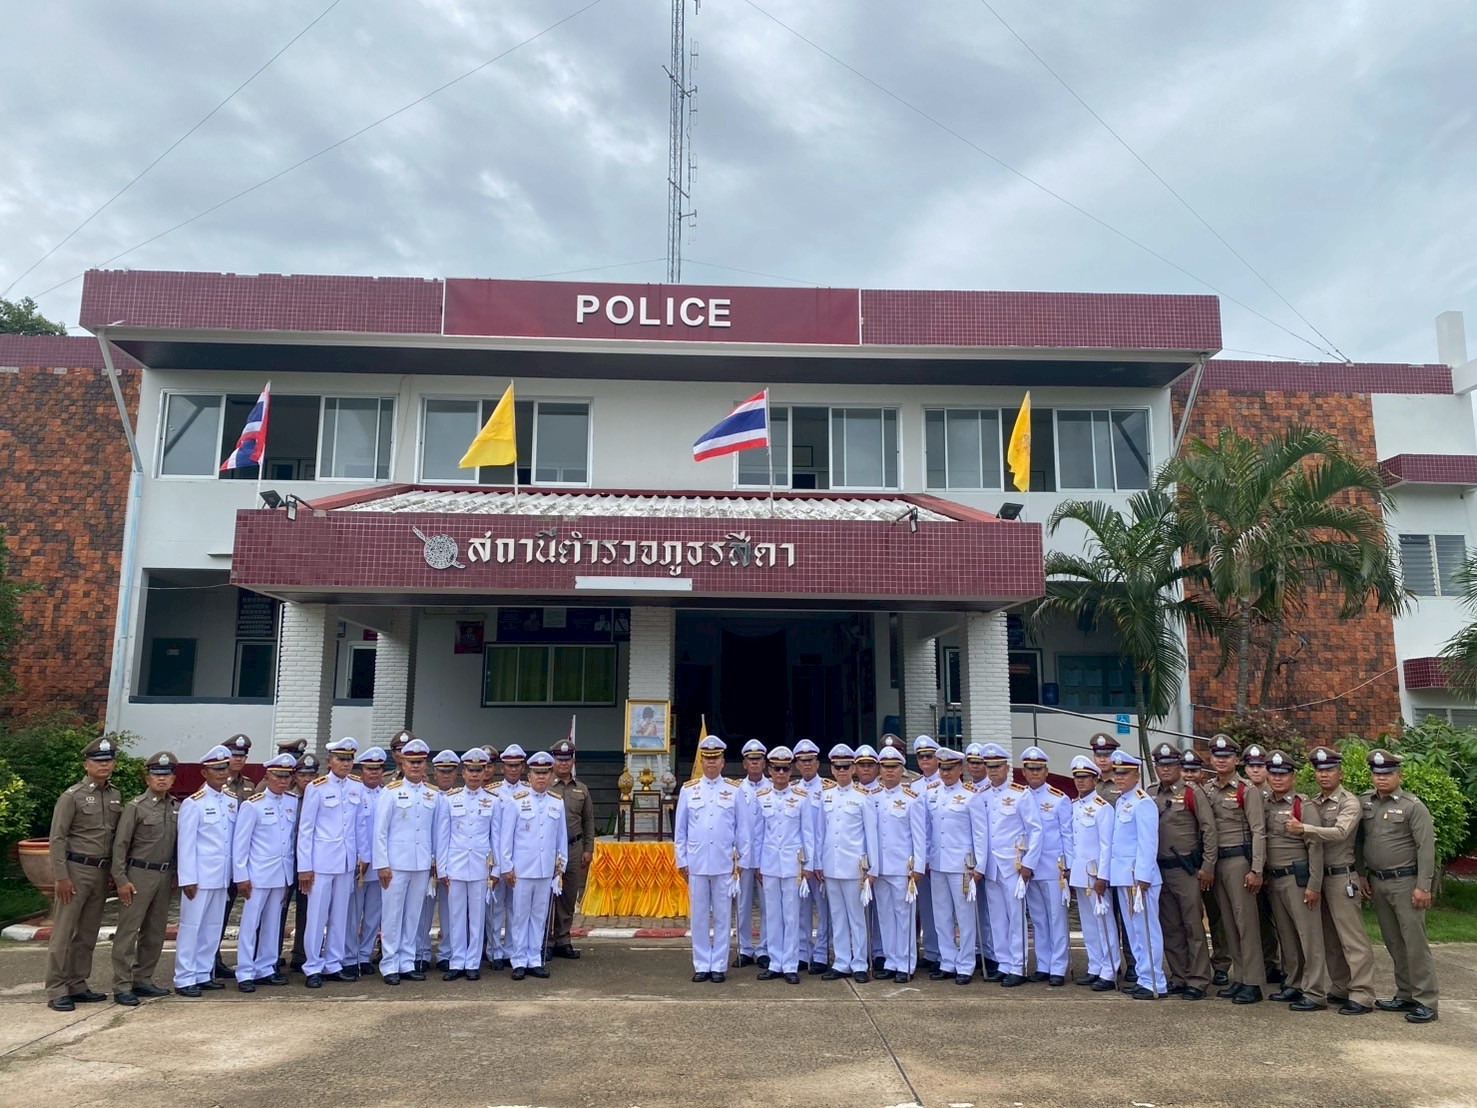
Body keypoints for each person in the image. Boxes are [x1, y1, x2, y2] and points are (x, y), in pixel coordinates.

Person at [1284, 745, 1378, 1015]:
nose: (1324, 775)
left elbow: (1341, 832)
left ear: (1341, 773)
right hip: (1317, 878)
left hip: (1341, 876)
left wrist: (1304, 828)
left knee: (1352, 938)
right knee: (1329, 938)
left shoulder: (1349, 802)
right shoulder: (1314, 802)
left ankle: (1362, 994)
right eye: (1319, 770)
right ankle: (1341, 986)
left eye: (1330, 770)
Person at [1357, 748, 1439, 1024]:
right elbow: (1359, 842)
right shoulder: (1365, 803)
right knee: (1393, 941)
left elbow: (1425, 848)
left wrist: (1423, 886)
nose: (1382, 778)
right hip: (1378, 882)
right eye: (1377, 773)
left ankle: (1426, 1000)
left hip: (1406, 883)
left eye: (1388, 773)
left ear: (1399, 776)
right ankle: (1405, 994)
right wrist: (1361, 874)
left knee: (1415, 943)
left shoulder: (1412, 806)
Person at [44, 735, 122, 1011]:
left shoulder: (115, 795)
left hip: (101, 871)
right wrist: (61, 876)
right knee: (64, 932)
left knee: (88, 932)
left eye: (108, 760)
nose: (104, 765)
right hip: (75, 870)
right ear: (86, 765)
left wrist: (114, 871)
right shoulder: (72, 796)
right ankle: (57, 989)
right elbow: (57, 838)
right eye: (98, 761)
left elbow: (114, 837)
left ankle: (77, 983)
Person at [674, 734, 751, 983]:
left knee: (722, 915)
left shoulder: (734, 790)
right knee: (698, 916)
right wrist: (681, 860)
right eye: (707, 758)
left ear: (723, 762)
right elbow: (680, 831)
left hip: (724, 863)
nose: (711, 763)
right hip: (696, 863)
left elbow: (743, 829)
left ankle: (718, 965)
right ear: (701, 761)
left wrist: (741, 861)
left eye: (715, 758)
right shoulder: (689, 790)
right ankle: (701, 964)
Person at [1147, 743, 1218, 1000]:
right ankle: (1179, 975)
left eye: (1170, 765)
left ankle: (1198, 979)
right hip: (1159, 869)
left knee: (1192, 926)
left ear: (1179, 767)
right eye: (1161, 765)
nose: (1165, 770)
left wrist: (1208, 866)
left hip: (1186, 869)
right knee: (1170, 926)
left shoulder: (1191, 793)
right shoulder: (1150, 793)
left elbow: (1209, 830)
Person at [297, 736, 368, 987]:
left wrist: (364, 856)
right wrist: (304, 867)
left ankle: (334, 963)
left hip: (346, 862)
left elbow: (360, 825)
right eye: (341, 759)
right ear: (330, 761)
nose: (346, 763)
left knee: (340, 915)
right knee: (317, 917)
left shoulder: (356, 786)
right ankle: (313, 966)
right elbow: (306, 829)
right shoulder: (317, 787)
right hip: (321, 862)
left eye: (349, 759)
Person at [109, 750, 179, 1007]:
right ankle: (122, 985)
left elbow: (178, 845)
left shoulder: (176, 807)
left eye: (166, 775)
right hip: (138, 874)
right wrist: (120, 879)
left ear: (173, 779)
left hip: (165, 875)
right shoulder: (136, 807)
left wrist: (177, 873)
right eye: (156, 775)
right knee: (128, 931)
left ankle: (143, 979)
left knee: (155, 931)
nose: (161, 779)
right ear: (147, 778)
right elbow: (120, 845)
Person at [1202, 733, 1267, 1004]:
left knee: (1246, 923)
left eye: (1227, 756)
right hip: (1218, 862)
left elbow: (1259, 831)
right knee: (1228, 924)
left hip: (1240, 861)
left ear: (1236, 760)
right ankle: (1239, 977)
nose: (1221, 760)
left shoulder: (1246, 790)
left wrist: (1257, 869)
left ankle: (1253, 982)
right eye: (1217, 756)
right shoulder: (1208, 789)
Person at [1262, 750, 1328, 1011]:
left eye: (1284, 774)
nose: (1278, 778)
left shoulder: (1304, 806)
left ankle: (1315, 992)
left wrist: (1314, 885)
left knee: (1309, 937)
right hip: (1275, 879)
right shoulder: (1265, 803)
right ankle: (1294, 982)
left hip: (1297, 880)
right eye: (1274, 773)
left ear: (1293, 777)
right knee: (1287, 936)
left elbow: (1315, 847)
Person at [373, 739, 441, 984]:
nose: (415, 766)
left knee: (413, 915)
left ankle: (407, 962)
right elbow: (380, 831)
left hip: (421, 863)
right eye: (411, 762)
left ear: (425, 764)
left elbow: (436, 832)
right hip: (395, 864)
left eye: (419, 762)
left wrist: (434, 862)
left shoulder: (432, 794)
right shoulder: (390, 792)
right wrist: (382, 864)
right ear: (402, 763)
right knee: (392, 915)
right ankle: (390, 964)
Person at [174, 745, 239, 997]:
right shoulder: (194, 803)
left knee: (212, 928)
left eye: (224, 768)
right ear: (204, 773)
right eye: (216, 769)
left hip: (221, 877)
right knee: (191, 928)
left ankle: (203, 973)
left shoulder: (231, 801)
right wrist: (188, 878)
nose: (222, 773)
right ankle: (184, 977)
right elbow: (186, 844)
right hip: (199, 877)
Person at [751, 746, 819, 985]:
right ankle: (775, 962)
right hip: (769, 863)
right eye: (777, 769)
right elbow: (758, 834)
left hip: (793, 865)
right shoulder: (762, 797)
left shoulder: (801, 797)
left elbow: (808, 833)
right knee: (772, 915)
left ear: (791, 771)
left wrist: (808, 864)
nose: (781, 773)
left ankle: (790, 964)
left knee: (792, 916)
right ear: (769, 771)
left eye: (785, 769)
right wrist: (757, 864)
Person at [232, 753, 299, 993]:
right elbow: (241, 844)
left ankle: (266, 967)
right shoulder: (253, 805)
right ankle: (245, 971)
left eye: (287, 777)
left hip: (281, 874)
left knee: (273, 923)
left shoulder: (292, 802)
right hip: (258, 874)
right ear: (268, 776)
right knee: (250, 925)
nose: (283, 781)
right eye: (278, 776)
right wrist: (241, 876)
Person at [976, 743, 1042, 987]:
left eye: (997, 766)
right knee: (996, 918)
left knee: (1015, 917)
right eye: (989, 766)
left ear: (1006, 768)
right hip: (991, 866)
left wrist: (1028, 863)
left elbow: (1035, 830)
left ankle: (1018, 966)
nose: (993, 770)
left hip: (1013, 865)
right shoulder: (982, 795)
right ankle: (1003, 963)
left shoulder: (1020, 794)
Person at [499, 750, 568, 980]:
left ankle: (535, 959)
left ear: (550, 776)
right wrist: (507, 867)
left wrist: (560, 866)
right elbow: (506, 838)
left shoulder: (557, 803)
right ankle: (518, 960)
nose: (541, 777)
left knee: (539, 917)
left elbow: (561, 838)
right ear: (529, 776)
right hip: (522, 870)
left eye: (545, 773)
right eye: (537, 773)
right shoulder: (517, 802)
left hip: (545, 870)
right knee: (519, 916)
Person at [1103, 750, 1166, 999]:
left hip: (1138, 878)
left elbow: (1148, 843)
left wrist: (1143, 877)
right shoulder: (1122, 801)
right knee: (1133, 932)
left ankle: (1155, 981)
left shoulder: (1143, 802)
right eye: (1117, 773)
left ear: (1136, 775)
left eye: (1125, 773)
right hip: (1123, 876)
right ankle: (1143, 976)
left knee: (1146, 930)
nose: (1119, 777)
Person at [815, 744, 879, 983]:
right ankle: (841, 961)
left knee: (856, 917)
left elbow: (871, 835)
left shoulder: (863, 797)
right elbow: (820, 833)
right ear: (832, 770)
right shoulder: (826, 795)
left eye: (845, 766)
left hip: (854, 867)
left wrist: (873, 867)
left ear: (853, 769)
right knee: (837, 917)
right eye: (837, 767)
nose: (841, 771)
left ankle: (860, 963)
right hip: (831, 865)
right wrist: (818, 862)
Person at [925, 747, 987, 986]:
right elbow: (928, 830)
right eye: (942, 768)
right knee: (941, 915)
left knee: (965, 916)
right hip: (938, 863)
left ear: (960, 769)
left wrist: (979, 866)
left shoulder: (971, 795)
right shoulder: (932, 793)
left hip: (962, 866)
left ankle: (966, 964)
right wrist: (926, 859)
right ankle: (947, 961)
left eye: (950, 768)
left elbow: (980, 834)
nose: (945, 773)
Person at [436, 747, 498, 982]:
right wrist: (442, 869)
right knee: (456, 916)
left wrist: (496, 869)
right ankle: (456, 960)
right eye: (470, 770)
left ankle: (472, 963)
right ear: (463, 773)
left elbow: (496, 838)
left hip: (481, 867)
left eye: (478, 770)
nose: (474, 774)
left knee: (477, 917)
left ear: (485, 773)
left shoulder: (493, 801)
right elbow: (443, 837)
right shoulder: (450, 800)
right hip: (456, 866)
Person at [870, 746, 927, 982]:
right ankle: (891, 961)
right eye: (885, 767)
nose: (889, 771)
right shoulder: (873, 798)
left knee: (904, 918)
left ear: (902, 769)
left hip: (903, 869)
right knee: (885, 917)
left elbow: (919, 837)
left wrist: (918, 867)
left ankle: (905, 964)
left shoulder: (911, 800)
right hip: (880, 868)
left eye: (893, 767)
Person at [1066, 756, 1120, 992]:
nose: (1080, 781)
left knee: (1104, 923)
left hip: (1096, 874)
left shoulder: (1102, 808)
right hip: (1080, 873)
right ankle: (1095, 966)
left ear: (1095, 779)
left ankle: (1109, 970)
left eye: (1085, 777)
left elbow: (1107, 846)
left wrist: (1103, 877)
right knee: (1088, 924)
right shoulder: (1074, 806)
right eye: (1077, 777)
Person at [1019, 746, 1071, 986]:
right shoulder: (1019, 796)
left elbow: (1067, 834)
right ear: (1024, 772)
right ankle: (1043, 964)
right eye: (1030, 769)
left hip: (1052, 867)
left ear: (1046, 771)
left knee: (1056, 918)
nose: (1034, 773)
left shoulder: (1058, 799)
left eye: (1038, 769)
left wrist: (1068, 865)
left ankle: (1058, 967)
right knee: (1038, 919)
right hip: (1029, 868)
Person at [1183, 747, 1233, 986]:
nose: (1189, 775)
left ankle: (1221, 964)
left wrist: (1209, 865)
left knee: (1217, 916)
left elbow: (1211, 832)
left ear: (1202, 773)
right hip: (1185, 866)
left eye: (1194, 770)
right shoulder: (1176, 794)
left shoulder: (1210, 793)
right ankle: (1191, 965)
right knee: (1189, 918)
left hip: (1210, 864)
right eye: (1185, 770)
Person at [1242, 743, 1285, 986]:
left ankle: (1285, 967)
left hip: (1276, 865)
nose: (1256, 770)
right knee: (1256, 918)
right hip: (1250, 865)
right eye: (1251, 766)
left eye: (1260, 766)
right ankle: (1267, 964)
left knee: (1281, 920)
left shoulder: (1276, 795)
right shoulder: (1242, 793)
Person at [550, 738, 596, 960]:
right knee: (548, 895)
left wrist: (589, 848)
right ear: (553, 761)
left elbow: (588, 821)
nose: (563, 764)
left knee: (569, 895)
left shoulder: (582, 789)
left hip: (574, 847)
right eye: (559, 759)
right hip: (549, 849)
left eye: (567, 760)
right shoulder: (545, 786)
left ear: (573, 762)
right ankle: (547, 941)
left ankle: (563, 939)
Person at [215, 732, 255, 978]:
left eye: (243, 755)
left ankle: (215, 957)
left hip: (241, 859)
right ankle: (209, 958)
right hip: (219, 858)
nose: (238, 759)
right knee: (214, 912)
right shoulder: (216, 784)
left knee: (227, 909)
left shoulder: (249, 785)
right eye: (234, 755)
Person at [485, 743, 527, 970]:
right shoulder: (492, 792)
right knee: (495, 908)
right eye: (509, 765)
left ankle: (512, 949)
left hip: (519, 860)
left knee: (515, 909)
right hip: (496, 858)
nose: (513, 769)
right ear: (502, 767)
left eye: (517, 765)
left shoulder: (529, 792)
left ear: (523, 767)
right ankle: (494, 951)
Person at [790, 738, 829, 973]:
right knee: (801, 909)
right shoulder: (792, 790)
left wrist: (820, 861)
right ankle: (803, 952)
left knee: (824, 910)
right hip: (800, 860)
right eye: (802, 761)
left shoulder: (828, 789)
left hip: (822, 860)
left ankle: (822, 954)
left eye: (810, 760)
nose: (806, 764)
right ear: (796, 765)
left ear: (817, 763)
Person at [349, 746, 388, 975]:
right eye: (369, 768)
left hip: (380, 864)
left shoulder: (387, 794)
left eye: (378, 768)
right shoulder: (354, 793)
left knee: (374, 913)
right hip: (358, 864)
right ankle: (349, 955)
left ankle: (364, 955)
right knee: (353, 913)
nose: (374, 773)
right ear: (361, 770)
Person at [423, 749, 462, 971]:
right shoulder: (427, 796)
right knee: (424, 911)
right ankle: (421, 952)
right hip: (427, 863)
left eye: (450, 771)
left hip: (452, 864)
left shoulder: (460, 798)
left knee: (450, 912)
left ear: (456, 773)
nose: (446, 775)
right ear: (434, 773)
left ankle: (447, 953)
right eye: (441, 771)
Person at [733, 738, 770, 969]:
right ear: (744, 763)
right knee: (742, 904)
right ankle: (744, 949)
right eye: (750, 759)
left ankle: (765, 948)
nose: (754, 763)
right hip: (743, 857)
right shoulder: (736, 789)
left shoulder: (773, 787)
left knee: (768, 906)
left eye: (758, 759)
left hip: (767, 857)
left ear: (764, 763)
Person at [963, 743, 998, 980]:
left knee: (990, 911)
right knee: (971, 910)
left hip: (992, 861)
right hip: (970, 862)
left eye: (979, 763)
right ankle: (976, 950)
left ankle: (991, 953)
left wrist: (982, 864)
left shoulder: (992, 789)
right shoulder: (966, 791)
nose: (975, 767)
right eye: (971, 763)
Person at [853, 744, 888, 973]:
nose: (866, 769)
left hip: (886, 862)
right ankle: (863, 951)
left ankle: (881, 952)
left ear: (877, 768)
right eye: (861, 765)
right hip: (857, 863)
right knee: (860, 910)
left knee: (883, 913)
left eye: (870, 765)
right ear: (855, 768)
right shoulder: (851, 793)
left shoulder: (886, 792)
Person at [910, 735, 943, 974]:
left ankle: (945, 953)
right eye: (921, 756)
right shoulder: (914, 787)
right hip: (920, 858)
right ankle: (931, 952)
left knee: (943, 908)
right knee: (926, 906)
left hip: (940, 857)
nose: (924, 760)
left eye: (929, 756)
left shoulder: (947, 783)